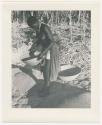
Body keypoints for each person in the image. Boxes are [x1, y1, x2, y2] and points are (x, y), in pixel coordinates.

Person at [27, 16, 60, 96]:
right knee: (44, 69)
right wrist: (33, 48)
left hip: (50, 49)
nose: (34, 28)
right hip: (45, 49)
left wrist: (43, 53)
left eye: (35, 26)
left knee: (46, 70)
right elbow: (39, 39)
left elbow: (52, 42)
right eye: (33, 27)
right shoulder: (38, 28)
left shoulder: (44, 27)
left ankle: (46, 89)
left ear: (37, 21)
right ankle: (46, 87)